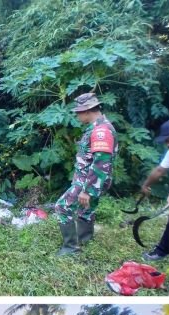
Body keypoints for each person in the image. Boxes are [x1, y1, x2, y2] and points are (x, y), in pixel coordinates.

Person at [54, 92, 118, 255]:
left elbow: (101, 163)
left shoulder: (101, 131)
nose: (77, 116)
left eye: (78, 112)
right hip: (93, 180)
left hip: (89, 181)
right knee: (86, 208)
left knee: (62, 207)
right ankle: (85, 238)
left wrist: (87, 191)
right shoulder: (99, 127)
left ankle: (70, 248)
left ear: (88, 111)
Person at [139, 120, 169, 262]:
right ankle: (164, 249)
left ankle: (162, 251)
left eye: (168, 140)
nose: (167, 144)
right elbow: (159, 170)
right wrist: (145, 185)